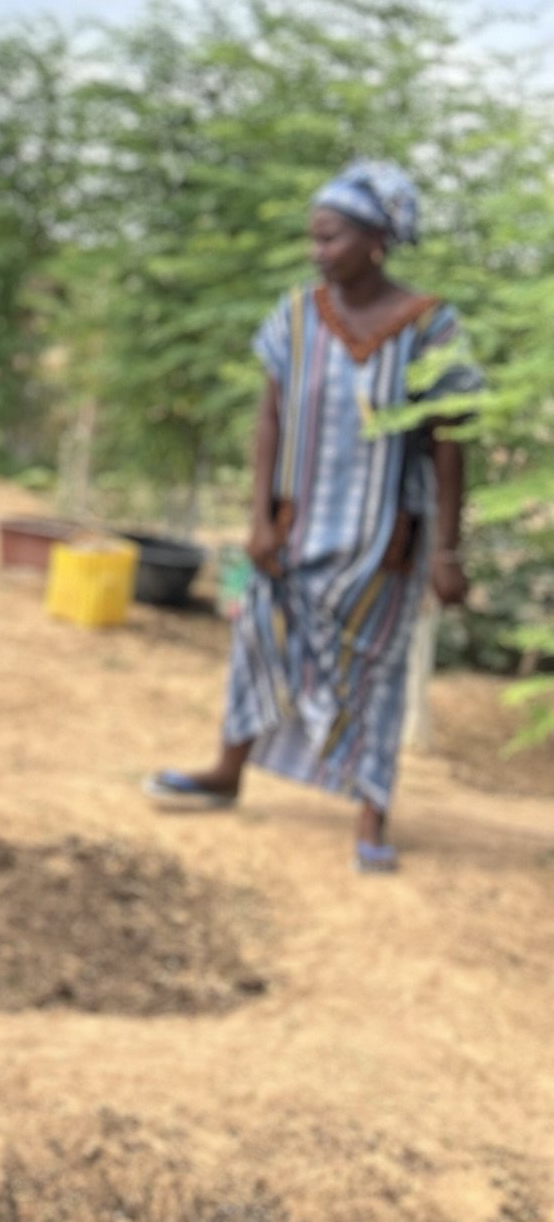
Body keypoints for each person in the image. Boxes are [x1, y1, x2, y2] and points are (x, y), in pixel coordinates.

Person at [145, 161, 481, 873]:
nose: (317, 251)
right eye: (314, 239)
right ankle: (227, 770)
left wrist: (447, 552)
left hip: (382, 540)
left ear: (376, 241)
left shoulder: (430, 325)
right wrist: (260, 515)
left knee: (373, 671)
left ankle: (372, 814)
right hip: (294, 529)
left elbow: (451, 443)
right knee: (261, 642)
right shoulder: (297, 314)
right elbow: (270, 416)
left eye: (330, 238)